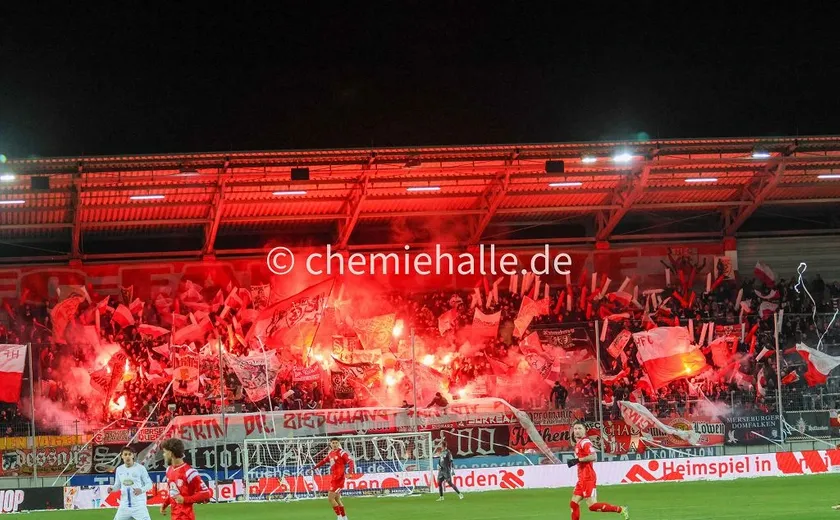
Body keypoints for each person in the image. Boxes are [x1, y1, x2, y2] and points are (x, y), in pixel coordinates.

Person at [566, 421, 629, 520]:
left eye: (579, 429)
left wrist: (577, 460)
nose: (577, 431)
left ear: (585, 430)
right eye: (575, 429)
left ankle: (620, 509)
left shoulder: (585, 442)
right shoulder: (579, 443)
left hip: (588, 478)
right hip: (581, 479)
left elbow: (594, 456)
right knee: (573, 503)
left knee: (592, 506)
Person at [160, 438, 212, 520]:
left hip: (186, 517)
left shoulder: (190, 472)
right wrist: (165, 504)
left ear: (171, 453)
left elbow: (206, 493)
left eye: (164, 452)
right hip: (174, 516)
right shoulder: (169, 470)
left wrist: (185, 499)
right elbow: (173, 493)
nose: (163, 455)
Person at [313, 438, 355, 520]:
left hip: (339, 479)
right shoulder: (330, 453)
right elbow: (324, 461)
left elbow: (351, 462)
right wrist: (315, 467)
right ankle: (344, 517)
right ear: (330, 444)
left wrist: (350, 473)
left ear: (339, 443)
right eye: (333, 443)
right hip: (334, 478)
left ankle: (339, 517)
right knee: (337, 499)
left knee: (330, 498)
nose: (335, 444)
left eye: (336, 443)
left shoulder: (342, 452)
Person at [109, 446, 153, 520]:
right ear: (121, 456)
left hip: (139, 506)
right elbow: (118, 485)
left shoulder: (140, 468)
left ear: (133, 455)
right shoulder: (119, 469)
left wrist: (141, 490)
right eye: (125, 454)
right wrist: (112, 489)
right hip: (124, 506)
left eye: (129, 454)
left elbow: (149, 484)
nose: (127, 456)